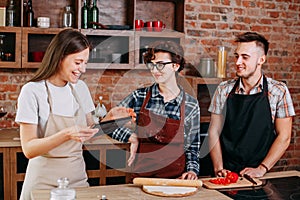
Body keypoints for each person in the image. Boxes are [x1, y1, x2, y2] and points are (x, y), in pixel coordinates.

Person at [15, 29, 100, 200]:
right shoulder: (32, 91)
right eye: (78, 62)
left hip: (77, 181)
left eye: (85, 63)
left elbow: (90, 130)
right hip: (42, 184)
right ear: (60, 57)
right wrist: (67, 134)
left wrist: (112, 118)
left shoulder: (80, 88)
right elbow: (29, 149)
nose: (82, 69)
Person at [208, 32, 295, 178]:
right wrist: (219, 168)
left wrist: (262, 168)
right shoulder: (223, 90)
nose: (237, 62)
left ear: (261, 60)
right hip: (227, 171)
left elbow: (284, 136)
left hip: (261, 172)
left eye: (245, 57)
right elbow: (213, 132)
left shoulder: (278, 91)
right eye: (237, 56)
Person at [110, 40, 201, 180]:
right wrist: (131, 137)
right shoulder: (138, 96)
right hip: (142, 177)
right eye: (152, 65)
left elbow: (192, 145)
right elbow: (107, 124)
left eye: (160, 65)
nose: (154, 70)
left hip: (177, 179)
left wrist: (192, 171)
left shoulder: (190, 105)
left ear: (175, 66)